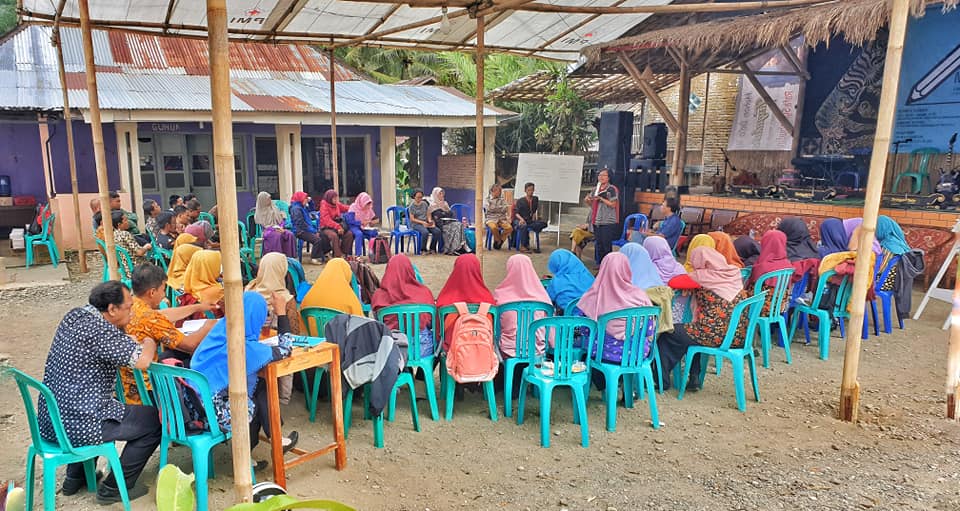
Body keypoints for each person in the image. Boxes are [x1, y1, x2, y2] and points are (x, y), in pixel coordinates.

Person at [38, 281, 160, 504]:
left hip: (51, 421)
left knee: (89, 403)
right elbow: (143, 360)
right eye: (128, 307)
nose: (131, 312)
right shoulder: (100, 331)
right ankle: (113, 489)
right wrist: (150, 341)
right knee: (154, 420)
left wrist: (128, 341)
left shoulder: (76, 315)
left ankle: (76, 478)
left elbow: (110, 344)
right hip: (78, 425)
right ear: (112, 309)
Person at [190, 291, 299, 453]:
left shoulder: (220, 330)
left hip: (192, 406)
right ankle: (270, 442)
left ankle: (272, 440)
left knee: (258, 385)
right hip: (213, 416)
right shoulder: (245, 347)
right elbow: (285, 348)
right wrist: (281, 313)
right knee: (261, 389)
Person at [656, 247, 751, 391]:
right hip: (738, 334)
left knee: (670, 333)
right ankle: (694, 376)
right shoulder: (733, 272)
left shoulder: (702, 276)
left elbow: (674, 282)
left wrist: (693, 280)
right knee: (692, 332)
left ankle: (660, 380)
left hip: (715, 335)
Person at [121, 264, 217, 404]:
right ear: (152, 292)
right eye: (163, 289)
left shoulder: (132, 305)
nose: (164, 295)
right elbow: (190, 345)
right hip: (150, 390)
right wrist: (209, 325)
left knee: (172, 355)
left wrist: (196, 307)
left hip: (130, 384)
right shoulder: (150, 318)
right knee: (199, 361)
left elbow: (162, 315)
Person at [575, 252, 654, 364]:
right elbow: (649, 329)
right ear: (627, 269)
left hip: (602, 355)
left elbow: (585, 329)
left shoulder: (593, 296)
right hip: (636, 355)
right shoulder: (640, 296)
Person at [246, 253, 303, 404]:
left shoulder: (249, 291)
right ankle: (283, 396)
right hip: (275, 352)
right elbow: (293, 334)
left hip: (249, 354)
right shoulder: (284, 299)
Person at [371, 254, 435, 358]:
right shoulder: (424, 293)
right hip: (421, 349)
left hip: (391, 349)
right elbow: (430, 322)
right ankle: (422, 373)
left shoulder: (378, 295)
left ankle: (404, 370)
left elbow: (379, 323)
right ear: (410, 270)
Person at [493, 254, 552, 358]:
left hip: (508, 349)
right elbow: (549, 325)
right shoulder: (542, 297)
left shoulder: (500, 295)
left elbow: (496, 324)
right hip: (537, 350)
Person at [436, 254, 494, 348]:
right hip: (483, 349)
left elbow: (438, 330)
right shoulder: (487, 299)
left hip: (451, 350)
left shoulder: (445, 298)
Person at [586, 169, 619, 263]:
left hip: (607, 220)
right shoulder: (595, 189)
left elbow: (613, 204)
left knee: (606, 245)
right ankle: (599, 263)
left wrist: (601, 198)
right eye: (599, 175)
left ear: (608, 178)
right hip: (597, 219)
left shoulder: (612, 189)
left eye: (604, 175)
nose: (601, 177)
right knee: (598, 244)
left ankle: (608, 264)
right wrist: (588, 200)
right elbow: (592, 205)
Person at [427, 187, 467, 255]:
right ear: (435, 194)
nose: (442, 195)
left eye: (442, 193)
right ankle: (451, 248)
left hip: (448, 222)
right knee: (454, 227)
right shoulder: (431, 205)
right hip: (439, 224)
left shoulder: (445, 203)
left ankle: (460, 247)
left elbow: (450, 213)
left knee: (459, 225)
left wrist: (445, 209)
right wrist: (431, 222)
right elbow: (429, 217)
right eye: (440, 193)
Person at [289, 191, 327, 264]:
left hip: (307, 229)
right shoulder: (296, 209)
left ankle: (323, 253)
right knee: (317, 240)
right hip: (300, 231)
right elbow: (301, 224)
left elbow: (312, 209)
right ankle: (314, 257)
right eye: (305, 198)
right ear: (300, 199)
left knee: (324, 236)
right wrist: (313, 231)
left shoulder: (302, 207)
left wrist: (310, 201)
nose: (306, 200)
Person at [255, 192, 296, 258]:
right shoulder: (259, 212)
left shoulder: (274, 208)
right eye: (268, 199)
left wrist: (281, 227)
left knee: (289, 234)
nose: (270, 200)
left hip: (278, 228)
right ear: (263, 200)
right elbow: (264, 226)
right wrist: (274, 229)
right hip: (268, 231)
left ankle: (289, 258)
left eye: (270, 198)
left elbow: (281, 221)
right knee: (277, 236)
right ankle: (277, 258)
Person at [317, 190, 355, 259]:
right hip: (326, 227)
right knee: (334, 236)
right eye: (334, 198)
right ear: (329, 198)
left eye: (336, 198)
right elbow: (326, 220)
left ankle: (344, 253)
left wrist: (355, 207)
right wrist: (338, 227)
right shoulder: (324, 206)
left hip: (337, 225)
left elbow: (345, 208)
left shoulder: (336, 204)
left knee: (349, 234)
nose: (336, 200)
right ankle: (338, 255)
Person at [513, 182, 547, 254]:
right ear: (525, 191)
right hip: (519, 219)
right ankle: (523, 246)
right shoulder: (520, 201)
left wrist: (534, 219)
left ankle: (529, 242)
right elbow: (516, 213)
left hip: (529, 220)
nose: (531, 192)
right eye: (529, 190)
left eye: (532, 190)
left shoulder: (535, 199)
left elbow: (534, 211)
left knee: (543, 223)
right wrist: (521, 219)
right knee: (523, 225)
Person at [408, 189, 439, 254]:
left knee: (437, 231)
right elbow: (412, 219)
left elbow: (428, 214)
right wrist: (422, 222)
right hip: (416, 224)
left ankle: (432, 248)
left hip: (425, 222)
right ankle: (423, 249)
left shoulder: (424, 204)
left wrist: (430, 220)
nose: (420, 199)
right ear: (414, 197)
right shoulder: (412, 206)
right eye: (418, 197)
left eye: (421, 197)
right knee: (425, 232)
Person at [484, 184, 513, 250]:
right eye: (498, 191)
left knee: (509, 228)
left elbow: (505, 208)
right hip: (490, 219)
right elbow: (488, 209)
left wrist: (494, 208)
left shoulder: (502, 199)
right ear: (492, 191)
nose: (499, 192)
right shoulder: (487, 200)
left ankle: (500, 240)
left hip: (502, 219)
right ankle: (498, 241)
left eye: (500, 191)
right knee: (493, 227)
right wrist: (499, 208)